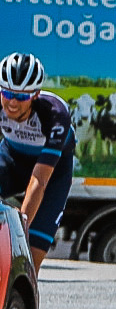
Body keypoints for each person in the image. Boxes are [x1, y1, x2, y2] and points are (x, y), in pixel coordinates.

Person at [0, 54, 73, 272]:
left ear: (35, 95)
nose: (12, 102)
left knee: (29, 261)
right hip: (12, 159)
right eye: (7, 93)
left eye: (21, 97)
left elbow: (39, 180)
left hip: (52, 174)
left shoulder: (55, 114)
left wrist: (20, 229)